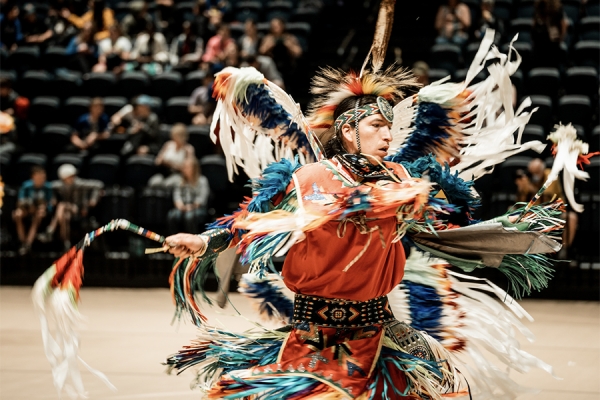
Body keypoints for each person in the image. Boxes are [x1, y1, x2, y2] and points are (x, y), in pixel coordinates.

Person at [516, 158, 578, 255]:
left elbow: (547, 196)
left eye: (536, 172)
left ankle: (564, 250)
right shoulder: (527, 180)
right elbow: (520, 203)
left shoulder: (551, 175)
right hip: (533, 213)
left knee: (572, 218)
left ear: (542, 170)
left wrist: (530, 187)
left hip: (554, 211)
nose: (534, 176)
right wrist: (522, 189)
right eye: (532, 173)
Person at [41, 164, 103, 250]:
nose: (72, 178)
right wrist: (53, 198)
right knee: (64, 216)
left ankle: (50, 230)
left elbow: (98, 184)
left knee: (61, 205)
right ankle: (66, 242)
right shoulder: (60, 185)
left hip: (78, 209)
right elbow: (47, 187)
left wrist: (93, 199)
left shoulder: (79, 183)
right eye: (69, 176)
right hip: (67, 211)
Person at [13, 166, 54, 255]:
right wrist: (28, 206)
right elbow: (20, 202)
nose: (42, 178)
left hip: (40, 212)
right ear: (33, 177)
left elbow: (50, 204)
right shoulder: (26, 186)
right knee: (17, 214)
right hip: (27, 209)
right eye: (39, 176)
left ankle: (28, 243)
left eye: (43, 176)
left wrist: (45, 207)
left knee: (38, 215)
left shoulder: (48, 187)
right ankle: (23, 241)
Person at [167, 157, 209, 234]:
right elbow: (177, 195)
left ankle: (193, 239)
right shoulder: (180, 181)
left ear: (194, 168)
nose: (184, 169)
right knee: (172, 215)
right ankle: (175, 240)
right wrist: (180, 204)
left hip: (197, 207)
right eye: (184, 167)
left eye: (187, 167)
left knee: (189, 217)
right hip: (183, 206)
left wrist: (192, 206)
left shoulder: (202, 180)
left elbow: (202, 198)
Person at [531, 0, 568, 68]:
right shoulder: (538, 8)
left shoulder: (557, 9)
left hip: (553, 44)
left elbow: (564, 26)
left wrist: (560, 39)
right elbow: (534, 26)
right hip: (539, 44)